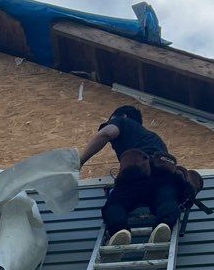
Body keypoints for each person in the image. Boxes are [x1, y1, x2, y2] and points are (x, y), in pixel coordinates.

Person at [79, 104, 197, 247]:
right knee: (164, 199)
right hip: (165, 175)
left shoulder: (123, 121)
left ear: (123, 116)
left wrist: (79, 162)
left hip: (136, 173)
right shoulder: (154, 138)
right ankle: (164, 225)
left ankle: (119, 231)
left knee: (115, 204)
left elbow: (107, 133)